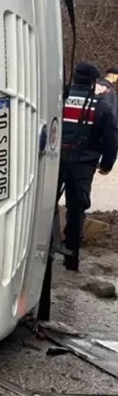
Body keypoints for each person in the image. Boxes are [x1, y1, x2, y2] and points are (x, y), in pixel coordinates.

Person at [59, 61, 118, 271]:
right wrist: (107, 164)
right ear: (94, 80)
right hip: (83, 164)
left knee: (46, 204)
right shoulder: (100, 102)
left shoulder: (60, 96)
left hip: (55, 159)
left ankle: (42, 252)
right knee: (76, 209)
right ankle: (71, 259)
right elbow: (111, 134)